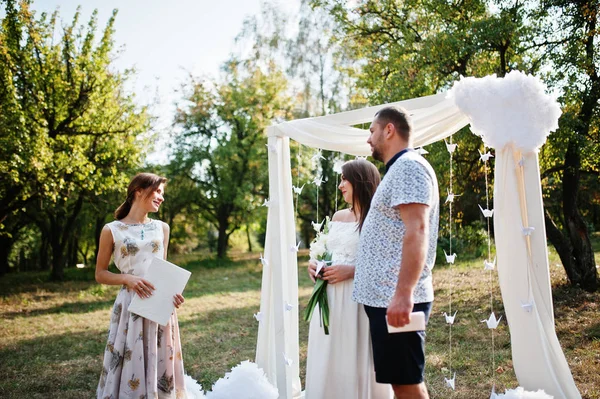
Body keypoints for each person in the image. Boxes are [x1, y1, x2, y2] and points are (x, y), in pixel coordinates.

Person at [353, 106, 440, 399]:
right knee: (401, 382)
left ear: (389, 129)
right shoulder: (398, 170)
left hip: (396, 296)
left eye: (372, 131)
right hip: (386, 296)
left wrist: (404, 294)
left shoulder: (408, 167)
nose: (369, 139)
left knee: (405, 383)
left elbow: (417, 230)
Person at [305, 159, 393, 399]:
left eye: (345, 179)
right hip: (330, 298)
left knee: (353, 350)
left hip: (358, 298)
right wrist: (314, 265)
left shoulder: (379, 216)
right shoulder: (338, 216)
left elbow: (387, 262)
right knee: (329, 350)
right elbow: (327, 251)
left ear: (360, 181)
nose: (341, 185)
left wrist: (352, 271)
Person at [95, 173, 187, 399]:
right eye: (157, 192)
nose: (161, 198)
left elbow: (162, 268)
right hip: (130, 305)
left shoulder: (162, 228)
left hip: (159, 304)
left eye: (162, 194)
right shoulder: (111, 230)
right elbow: (100, 273)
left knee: (160, 355)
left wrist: (174, 293)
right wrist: (128, 279)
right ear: (138, 191)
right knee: (131, 355)